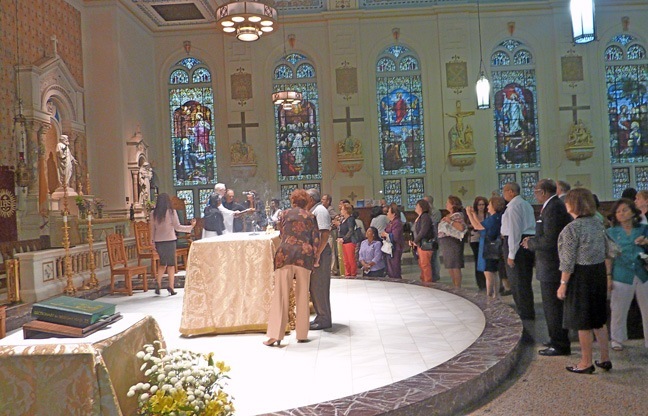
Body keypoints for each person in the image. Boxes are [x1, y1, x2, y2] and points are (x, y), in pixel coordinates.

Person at [557, 188, 611, 374]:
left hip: (581, 277)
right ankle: (605, 358)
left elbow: (568, 260)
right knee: (598, 319)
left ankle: (586, 362)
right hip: (598, 273)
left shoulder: (572, 228)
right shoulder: (597, 223)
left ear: (573, 205)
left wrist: (563, 284)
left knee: (583, 322)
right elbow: (606, 250)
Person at [522, 179, 573, 356]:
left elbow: (551, 240)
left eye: (536, 191)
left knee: (553, 307)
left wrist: (531, 243)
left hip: (552, 266)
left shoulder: (554, 207)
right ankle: (555, 338)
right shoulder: (551, 206)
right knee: (550, 306)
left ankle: (560, 344)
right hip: (548, 265)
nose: (535, 195)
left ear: (543, 192)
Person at [264, 189, 320, 347]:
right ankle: (302, 333)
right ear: (307, 202)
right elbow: (315, 239)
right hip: (304, 255)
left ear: (293, 201)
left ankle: (276, 335)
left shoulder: (284, 214)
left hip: (285, 254)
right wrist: (315, 258)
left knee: (281, 294)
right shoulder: (311, 217)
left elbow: (282, 234)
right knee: (302, 294)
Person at [606, 198, 648, 351]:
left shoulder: (643, 229)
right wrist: (608, 276)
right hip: (621, 273)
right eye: (618, 211)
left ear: (633, 212)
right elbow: (608, 256)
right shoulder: (611, 233)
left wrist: (646, 242)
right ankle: (617, 339)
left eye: (625, 210)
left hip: (642, 272)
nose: (621, 213)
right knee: (618, 308)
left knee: (647, 308)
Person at [501, 182, 536, 320]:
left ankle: (524, 312)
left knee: (518, 282)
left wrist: (511, 254)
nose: (503, 195)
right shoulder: (525, 204)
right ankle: (527, 310)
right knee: (524, 280)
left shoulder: (514, 206)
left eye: (504, 192)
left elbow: (514, 232)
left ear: (511, 192)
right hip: (525, 243)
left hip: (517, 245)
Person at [150, 193, 196, 296]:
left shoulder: (153, 213)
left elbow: (152, 229)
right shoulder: (171, 212)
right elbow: (177, 227)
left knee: (162, 263)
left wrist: (151, 242)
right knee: (171, 264)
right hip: (170, 240)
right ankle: (171, 286)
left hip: (158, 241)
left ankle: (158, 282)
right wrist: (190, 227)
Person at [466, 196, 506, 299]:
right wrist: (474, 214)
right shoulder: (497, 217)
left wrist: (469, 214)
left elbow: (477, 226)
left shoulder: (493, 218)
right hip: (494, 246)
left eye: (489, 204)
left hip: (488, 246)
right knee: (495, 272)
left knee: (488, 272)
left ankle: (489, 295)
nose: (487, 206)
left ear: (494, 206)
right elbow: (481, 224)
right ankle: (496, 294)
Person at [306, 188, 333, 331]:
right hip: (318, 252)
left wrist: (317, 253)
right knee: (315, 287)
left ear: (311, 199)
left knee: (320, 286)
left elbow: (325, 233)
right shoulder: (315, 210)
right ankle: (320, 316)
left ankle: (324, 318)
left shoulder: (320, 210)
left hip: (321, 253)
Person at [438, 196, 467, 288]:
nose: (446, 204)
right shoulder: (448, 215)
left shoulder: (457, 215)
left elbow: (461, 227)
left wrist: (449, 221)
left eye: (448, 203)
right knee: (450, 265)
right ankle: (454, 285)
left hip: (453, 243)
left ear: (453, 204)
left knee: (455, 265)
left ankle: (458, 287)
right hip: (446, 244)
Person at [410, 199, 435, 283]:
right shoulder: (420, 217)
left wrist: (415, 240)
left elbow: (423, 231)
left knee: (425, 264)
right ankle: (424, 280)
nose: (415, 208)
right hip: (419, 244)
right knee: (422, 264)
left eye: (416, 206)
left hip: (424, 244)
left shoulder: (425, 216)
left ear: (421, 207)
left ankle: (428, 282)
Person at [468, 196, 489, 291]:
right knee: (478, 260)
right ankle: (480, 282)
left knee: (485, 260)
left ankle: (486, 281)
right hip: (475, 239)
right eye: (479, 204)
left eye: (483, 204)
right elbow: (471, 225)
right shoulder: (473, 214)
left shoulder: (488, 215)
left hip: (485, 239)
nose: (481, 207)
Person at [381, 203, 404, 279]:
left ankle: (397, 282)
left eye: (388, 212)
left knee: (395, 268)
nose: (387, 213)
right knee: (390, 268)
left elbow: (395, 236)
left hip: (395, 248)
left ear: (393, 214)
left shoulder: (397, 222)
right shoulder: (391, 222)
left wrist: (386, 234)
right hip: (389, 248)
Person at [424, 195, 442, 282]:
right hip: (427, 238)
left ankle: (435, 275)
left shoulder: (435, 212)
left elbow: (433, 224)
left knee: (434, 257)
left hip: (434, 237)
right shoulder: (426, 212)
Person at [337, 202, 358, 277]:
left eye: (342, 209)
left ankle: (353, 274)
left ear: (346, 210)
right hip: (344, 242)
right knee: (346, 260)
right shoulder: (343, 219)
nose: (341, 211)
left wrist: (344, 238)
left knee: (351, 260)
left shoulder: (350, 219)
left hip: (349, 242)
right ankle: (347, 274)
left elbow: (350, 231)